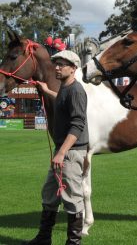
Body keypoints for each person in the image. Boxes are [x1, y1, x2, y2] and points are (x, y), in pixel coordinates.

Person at [22, 50, 89, 245]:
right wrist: (46, 90)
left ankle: (73, 242)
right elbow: (61, 98)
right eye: (56, 64)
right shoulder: (65, 89)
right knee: (50, 194)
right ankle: (44, 239)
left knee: (72, 197)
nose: (57, 68)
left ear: (74, 68)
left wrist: (61, 153)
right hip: (63, 152)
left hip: (71, 151)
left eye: (62, 64)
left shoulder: (76, 90)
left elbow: (78, 125)